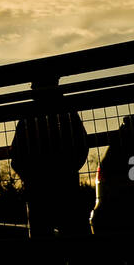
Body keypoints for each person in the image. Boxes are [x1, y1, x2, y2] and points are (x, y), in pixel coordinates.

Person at [10, 79, 90, 238]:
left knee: (44, 240)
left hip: (39, 189)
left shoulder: (28, 115)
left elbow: (16, 154)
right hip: (65, 185)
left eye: (34, 84)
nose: (31, 88)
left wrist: (29, 177)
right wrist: (69, 169)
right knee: (74, 235)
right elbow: (82, 145)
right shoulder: (67, 111)